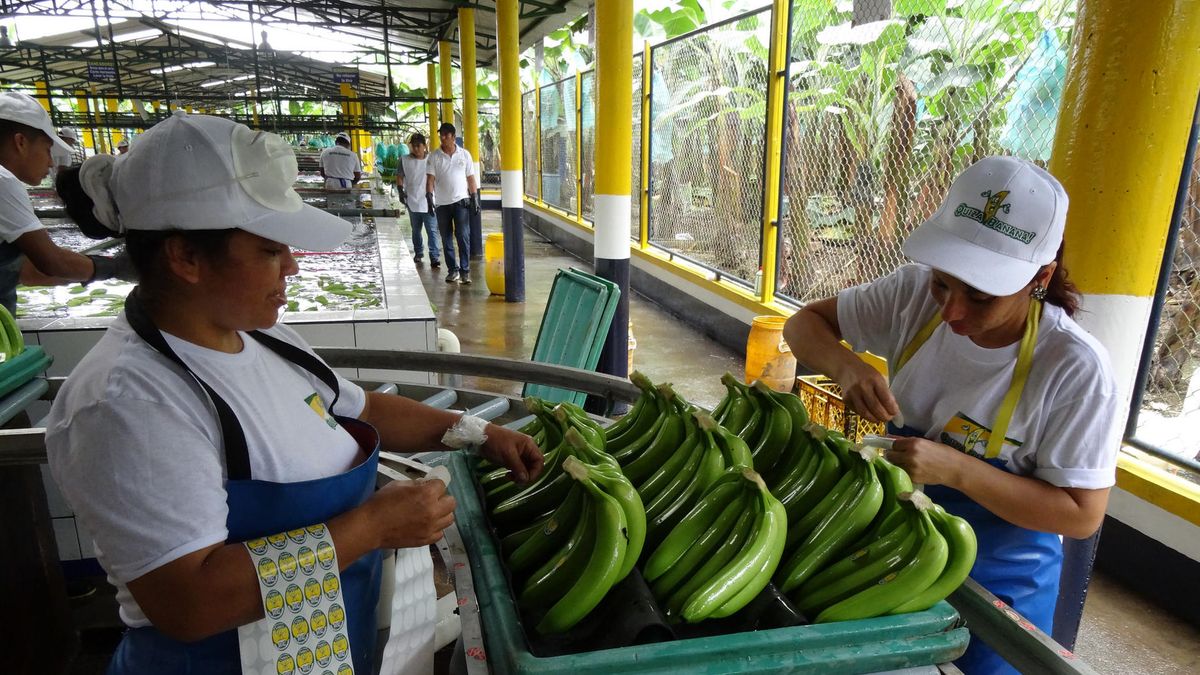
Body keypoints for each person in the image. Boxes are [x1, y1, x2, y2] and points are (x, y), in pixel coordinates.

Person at [45, 111, 543, 674]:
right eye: (268, 250)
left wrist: (481, 433)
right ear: (184, 256)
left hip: (324, 648)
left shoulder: (263, 336)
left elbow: (364, 409)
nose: (293, 266)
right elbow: (189, 601)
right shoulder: (127, 404)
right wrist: (372, 527)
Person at [783, 156, 1119, 674]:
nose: (951, 312)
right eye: (944, 284)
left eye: (981, 298)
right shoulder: (910, 295)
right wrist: (846, 367)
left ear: (1041, 277)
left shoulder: (1075, 370)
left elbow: (1079, 515)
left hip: (1001, 582)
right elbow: (804, 324)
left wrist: (956, 469)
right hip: (893, 546)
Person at [0, 92, 131, 315]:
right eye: (47, 149)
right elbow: (52, 262)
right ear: (20, 142)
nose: (51, 161)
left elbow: (25, 272)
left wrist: (84, 267)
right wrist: (116, 267)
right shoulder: (4, 182)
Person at [425, 122, 479, 284]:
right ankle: (452, 271)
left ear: (454, 137)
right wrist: (429, 197)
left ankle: (465, 271)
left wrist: (474, 197)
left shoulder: (464, 155)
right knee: (446, 238)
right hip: (442, 204)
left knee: (463, 236)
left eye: (446, 135)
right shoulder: (434, 156)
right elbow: (430, 180)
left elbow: (471, 178)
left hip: (461, 201)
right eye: (441, 134)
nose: (443, 137)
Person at [398, 133, 440, 267]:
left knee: (431, 230)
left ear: (424, 145)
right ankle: (418, 252)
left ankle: (434, 256)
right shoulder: (404, 160)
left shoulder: (432, 159)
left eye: (418, 146)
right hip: (412, 199)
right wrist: (400, 190)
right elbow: (399, 176)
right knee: (415, 230)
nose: (416, 149)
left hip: (429, 200)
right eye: (413, 146)